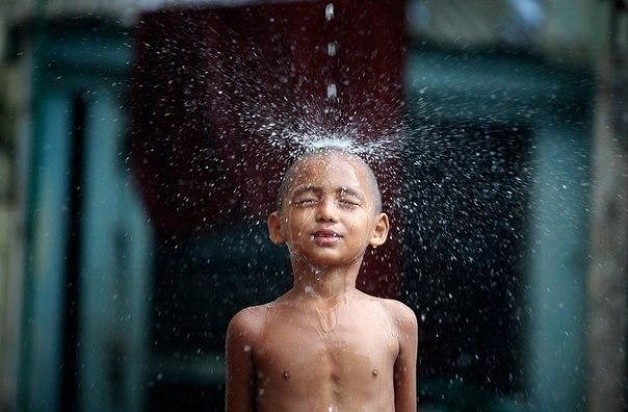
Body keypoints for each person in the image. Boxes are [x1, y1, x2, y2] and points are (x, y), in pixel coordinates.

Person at [225, 148, 418, 411]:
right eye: (306, 201)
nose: (326, 212)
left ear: (378, 229)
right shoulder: (253, 328)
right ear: (278, 226)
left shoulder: (396, 321)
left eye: (347, 202)